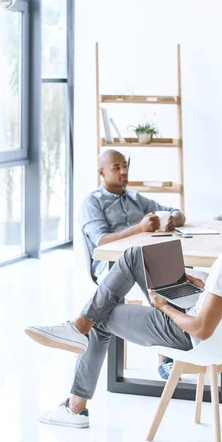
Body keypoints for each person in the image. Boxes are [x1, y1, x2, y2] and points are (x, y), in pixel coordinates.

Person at [25, 189, 222, 428]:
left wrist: (164, 306)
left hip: (189, 335)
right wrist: (207, 287)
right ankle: (79, 327)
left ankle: (75, 406)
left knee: (102, 315)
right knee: (135, 255)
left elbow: (201, 329)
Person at [81, 149, 186, 379]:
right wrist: (138, 229)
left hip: (145, 264)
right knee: (160, 273)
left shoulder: (136, 199)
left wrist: (172, 221)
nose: (124, 171)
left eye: (125, 166)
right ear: (101, 172)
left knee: (169, 270)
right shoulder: (93, 202)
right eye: (116, 167)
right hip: (111, 267)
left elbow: (178, 213)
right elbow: (100, 241)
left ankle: (173, 347)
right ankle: (169, 354)